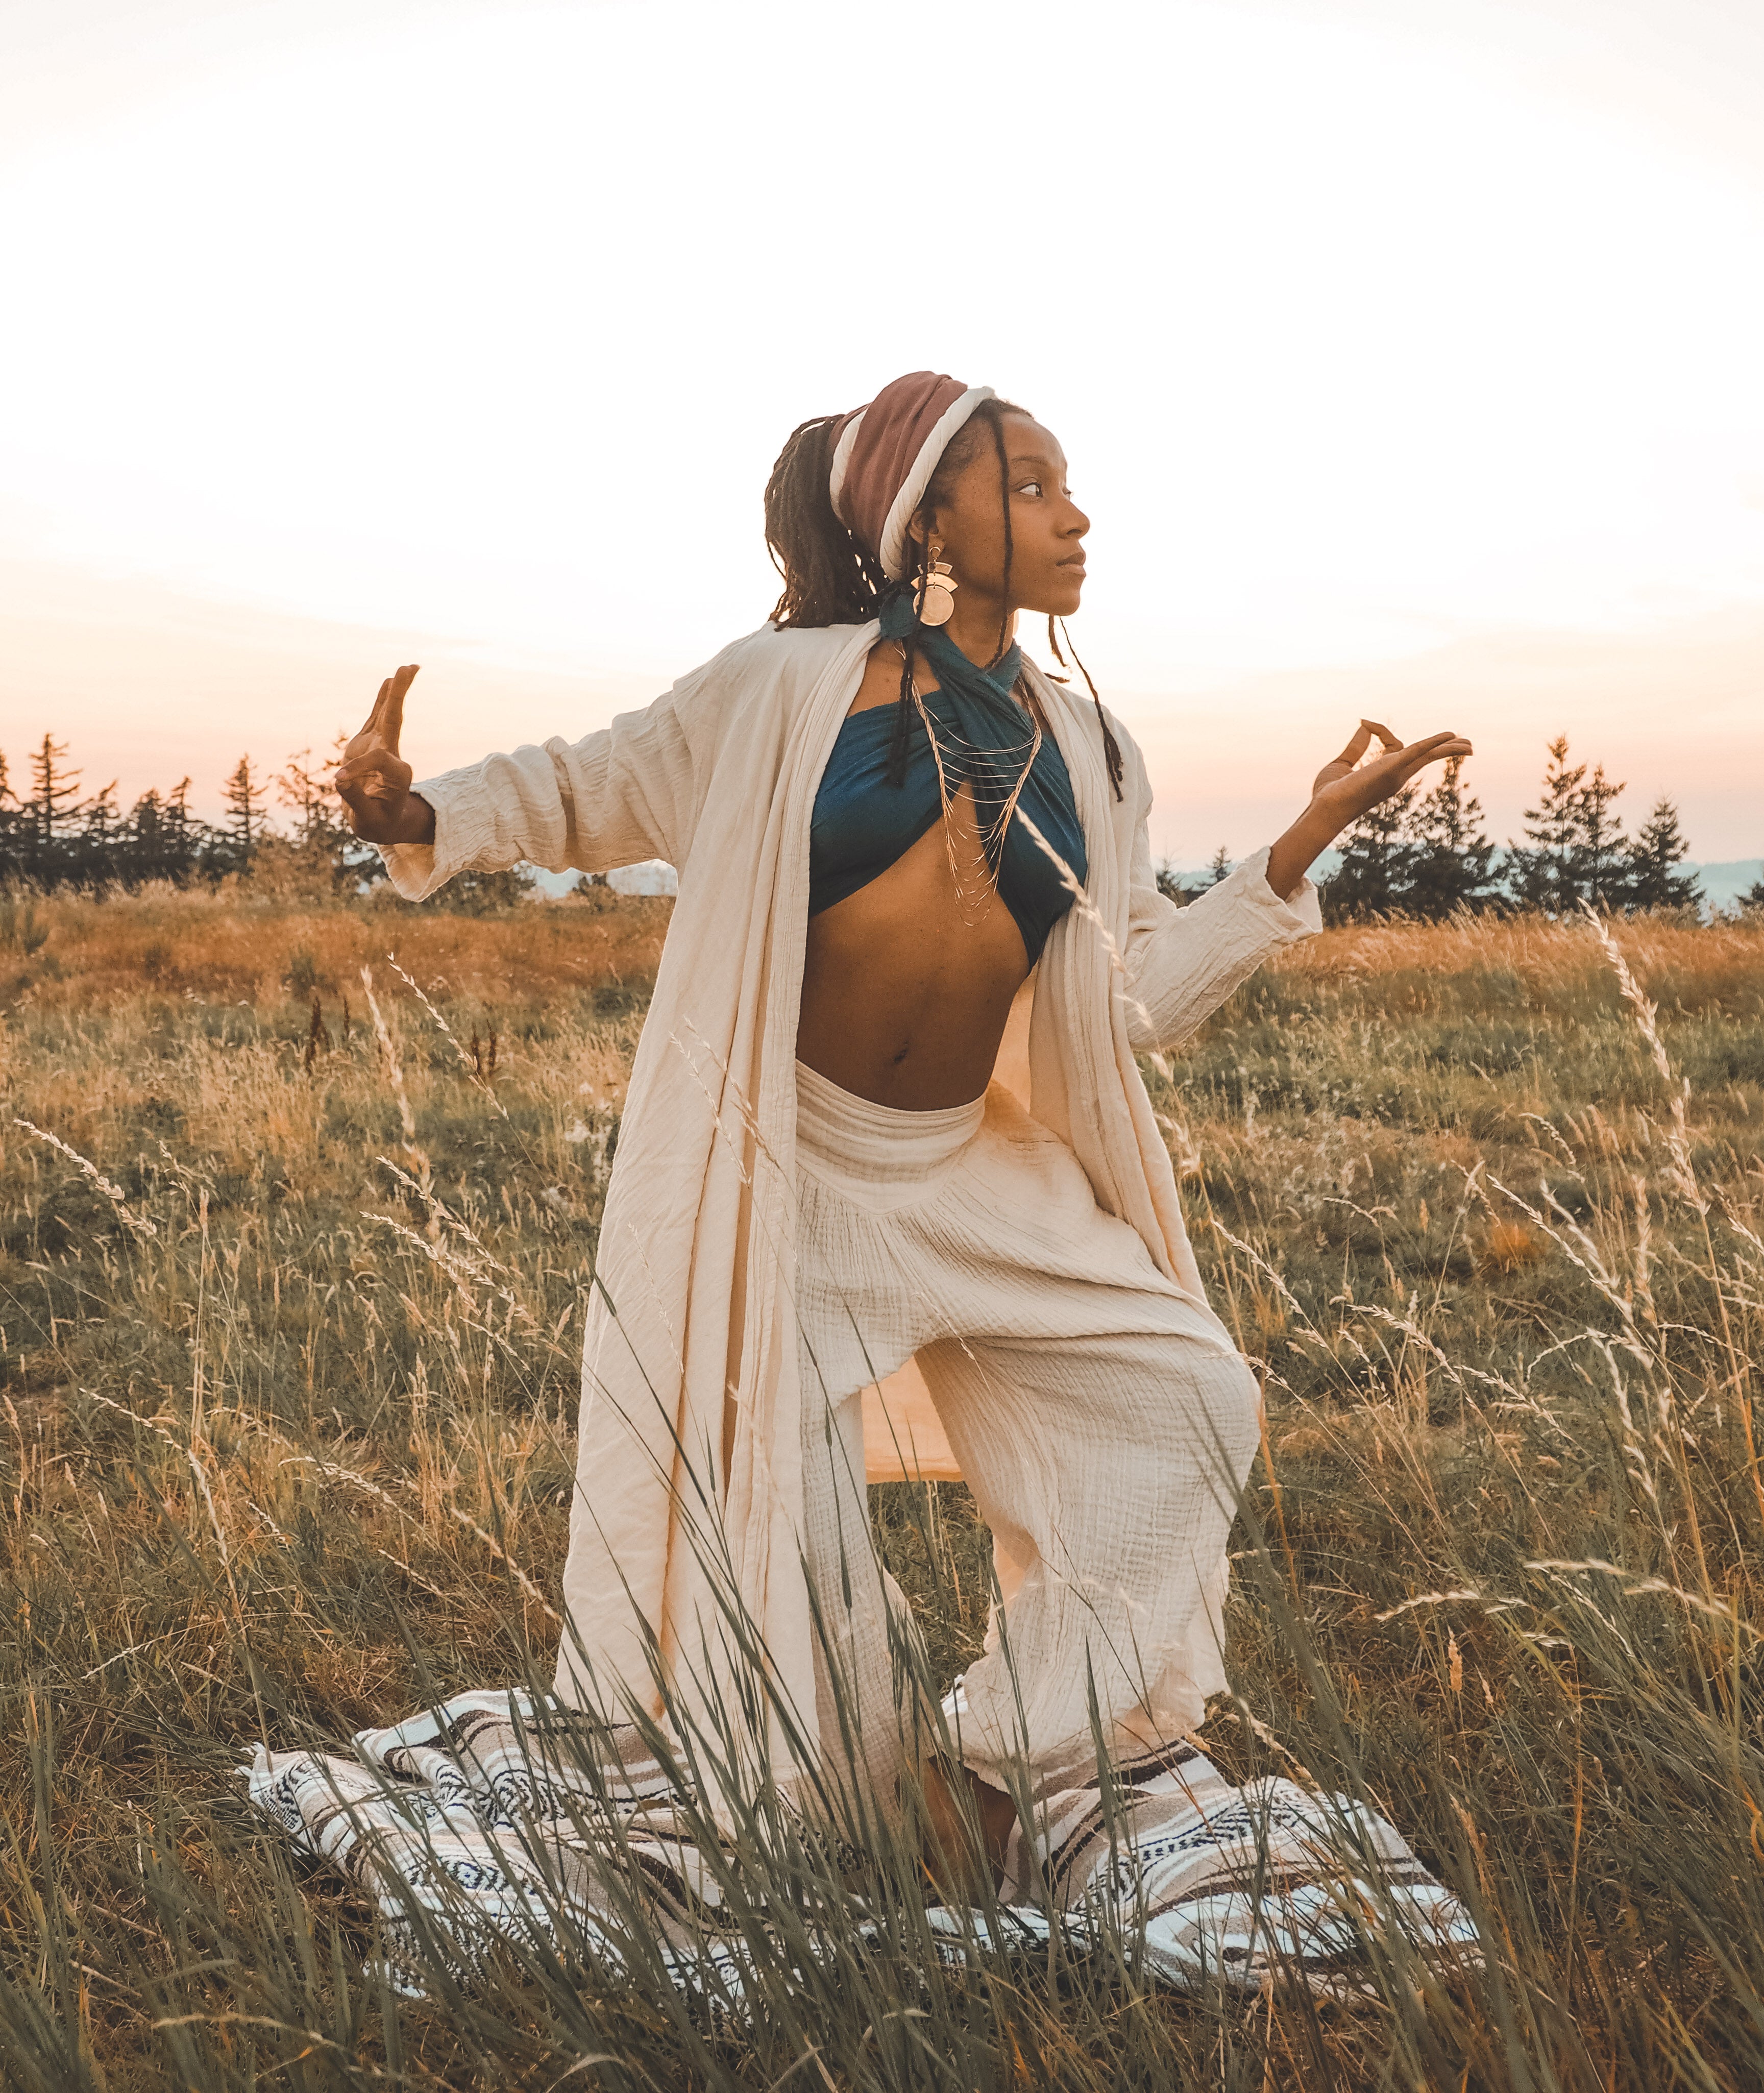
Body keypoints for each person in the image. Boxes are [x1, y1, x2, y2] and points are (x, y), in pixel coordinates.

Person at [333, 370, 1470, 1887]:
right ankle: (824, 1802)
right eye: (1038, 483)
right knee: (764, 1545)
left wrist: (1289, 857)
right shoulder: (781, 689)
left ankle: (1028, 1756)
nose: (1075, 513)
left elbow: (1127, 993)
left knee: (1190, 1392)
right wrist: (419, 815)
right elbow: (589, 786)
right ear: (930, 514)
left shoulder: (1091, 747)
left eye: (1068, 484)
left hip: (971, 1176)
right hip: (793, 1176)